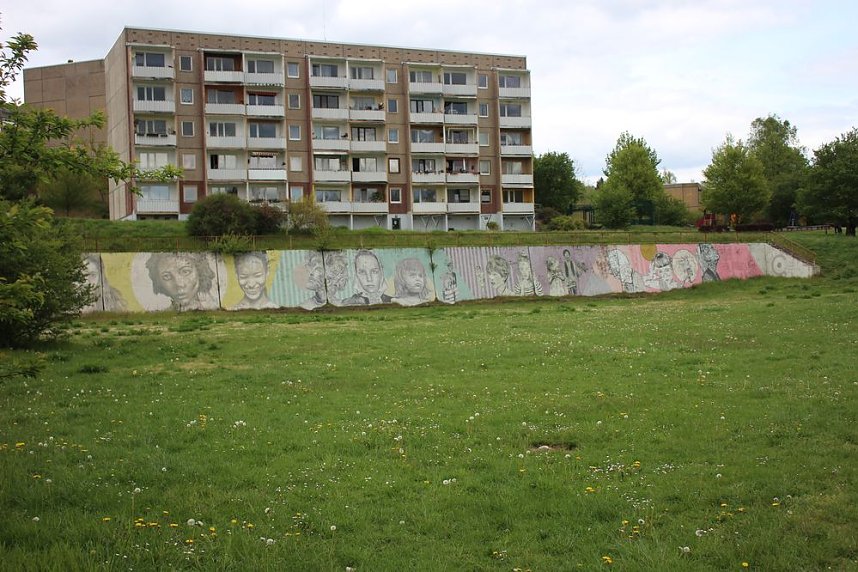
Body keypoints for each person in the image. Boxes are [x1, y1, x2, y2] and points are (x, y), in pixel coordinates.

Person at [146, 252, 217, 311]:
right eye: (166, 276)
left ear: (200, 272)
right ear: (158, 281)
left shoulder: (214, 307)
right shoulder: (162, 315)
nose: (179, 284)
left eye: (185, 271)